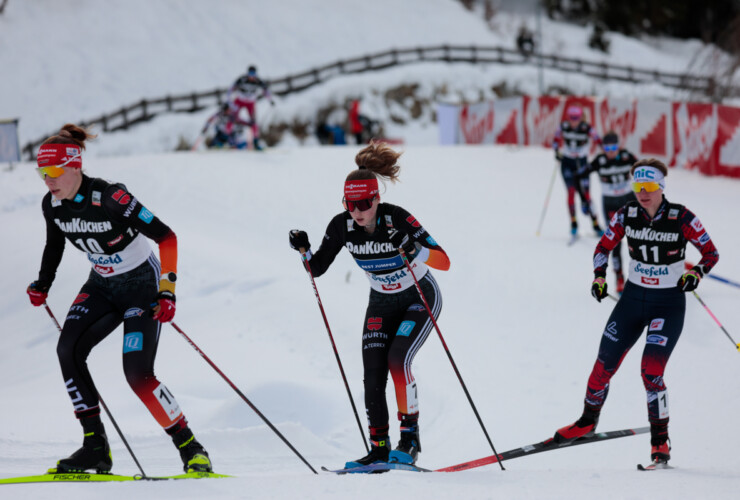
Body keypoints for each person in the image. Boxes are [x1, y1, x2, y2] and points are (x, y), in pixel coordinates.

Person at [27, 124, 212, 474]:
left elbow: (167, 237)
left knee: (138, 375)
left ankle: (191, 448)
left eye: (53, 172)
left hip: (141, 285)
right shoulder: (52, 205)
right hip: (101, 285)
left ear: (74, 165)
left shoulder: (111, 198)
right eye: (41, 173)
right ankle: (95, 447)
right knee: (68, 350)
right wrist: (43, 283)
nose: (47, 180)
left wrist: (167, 290)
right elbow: (55, 245)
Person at [288, 142, 450, 467]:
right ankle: (379, 449)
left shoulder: (397, 218)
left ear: (377, 198)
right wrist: (303, 249)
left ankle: (410, 440)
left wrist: (413, 248)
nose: (357, 211)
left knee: (397, 359)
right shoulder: (342, 226)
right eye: (351, 204)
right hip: (381, 302)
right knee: (372, 374)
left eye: (364, 203)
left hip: (419, 296)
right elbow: (317, 267)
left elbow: (444, 261)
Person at [553, 158, 719, 466]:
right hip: (632, 299)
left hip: (667, 305)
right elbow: (602, 247)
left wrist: (695, 273)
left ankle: (660, 442)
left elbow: (711, 252)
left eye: (649, 186)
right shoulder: (626, 214)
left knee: (651, 371)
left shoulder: (681, 217)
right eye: (638, 186)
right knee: (604, 362)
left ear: (661, 187)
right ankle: (588, 420)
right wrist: (599, 277)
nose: (643, 192)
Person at [585, 131, 638, 294]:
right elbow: (581, 174)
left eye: (614, 147)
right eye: (607, 148)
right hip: (610, 204)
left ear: (619, 145)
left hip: (629, 200)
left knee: (637, 238)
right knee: (614, 243)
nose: (611, 151)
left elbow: (644, 168)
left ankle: (642, 278)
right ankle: (619, 277)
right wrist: (584, 199)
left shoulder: (626, 156)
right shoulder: (599, 160)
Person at [553, 105, 603, 239]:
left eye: (576, 118)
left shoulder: (586, 128)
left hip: (581, 164)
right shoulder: (563, 126)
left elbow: (598, 139)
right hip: (567, 163)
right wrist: (556, 152)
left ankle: (595, 224)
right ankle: (574, 224)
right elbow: (555, 139)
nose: (574, 121)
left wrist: (603, 154)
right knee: (570, 192)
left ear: (581, 118)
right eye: (571, 118)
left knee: (586, 195)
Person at [226, 65, 274, 150]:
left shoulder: (258, 81)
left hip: (250, 103)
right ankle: (228, 139)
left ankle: (255, 142)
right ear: (247, 73)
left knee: (253, 121)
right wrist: (229, 100)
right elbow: (231, 88)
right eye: (250, 74)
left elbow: (266, 91)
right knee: (232, 118)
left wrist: (270, 100)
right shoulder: (242, 79)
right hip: (239, 101)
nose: (252, 76)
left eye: (253, 74)